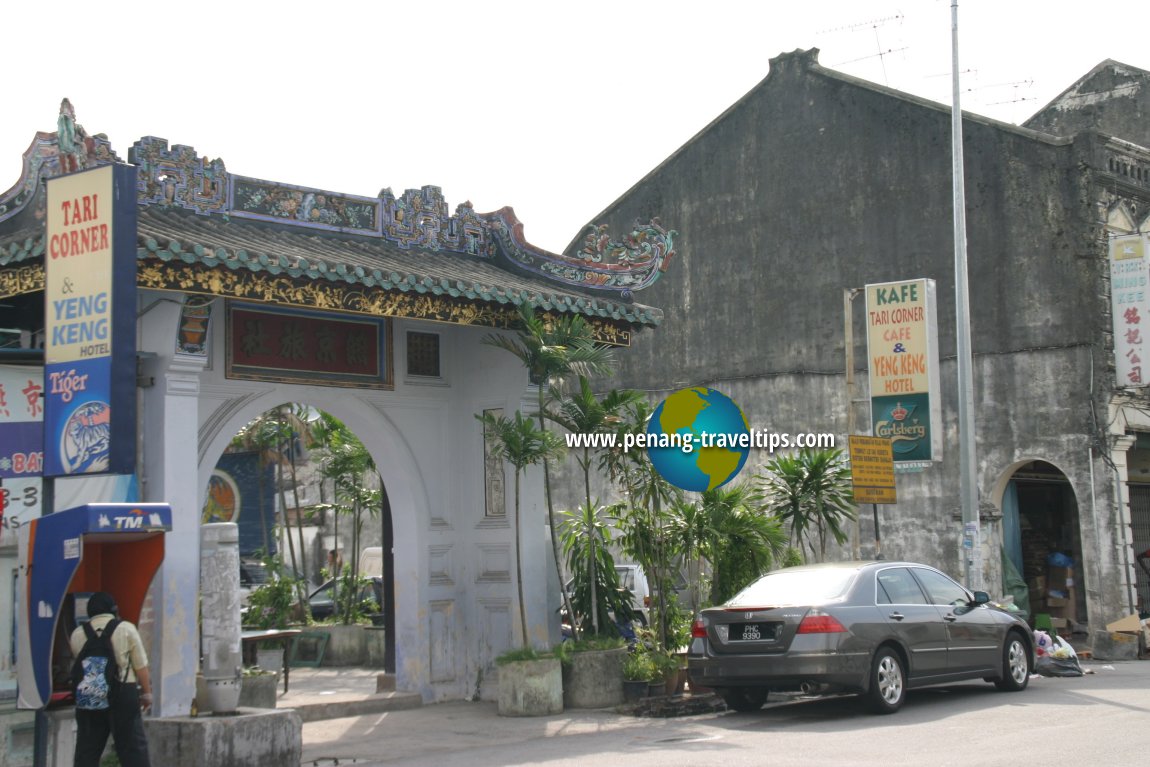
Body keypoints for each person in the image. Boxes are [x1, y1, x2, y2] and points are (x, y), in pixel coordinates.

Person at [69, 592, 153, 767]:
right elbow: (141, 666)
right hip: (123, 692)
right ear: (113, 609)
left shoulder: (77, 634)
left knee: (87, 749)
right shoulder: (126, 629)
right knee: (132, 748)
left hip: (90, 693)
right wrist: (147, 694)